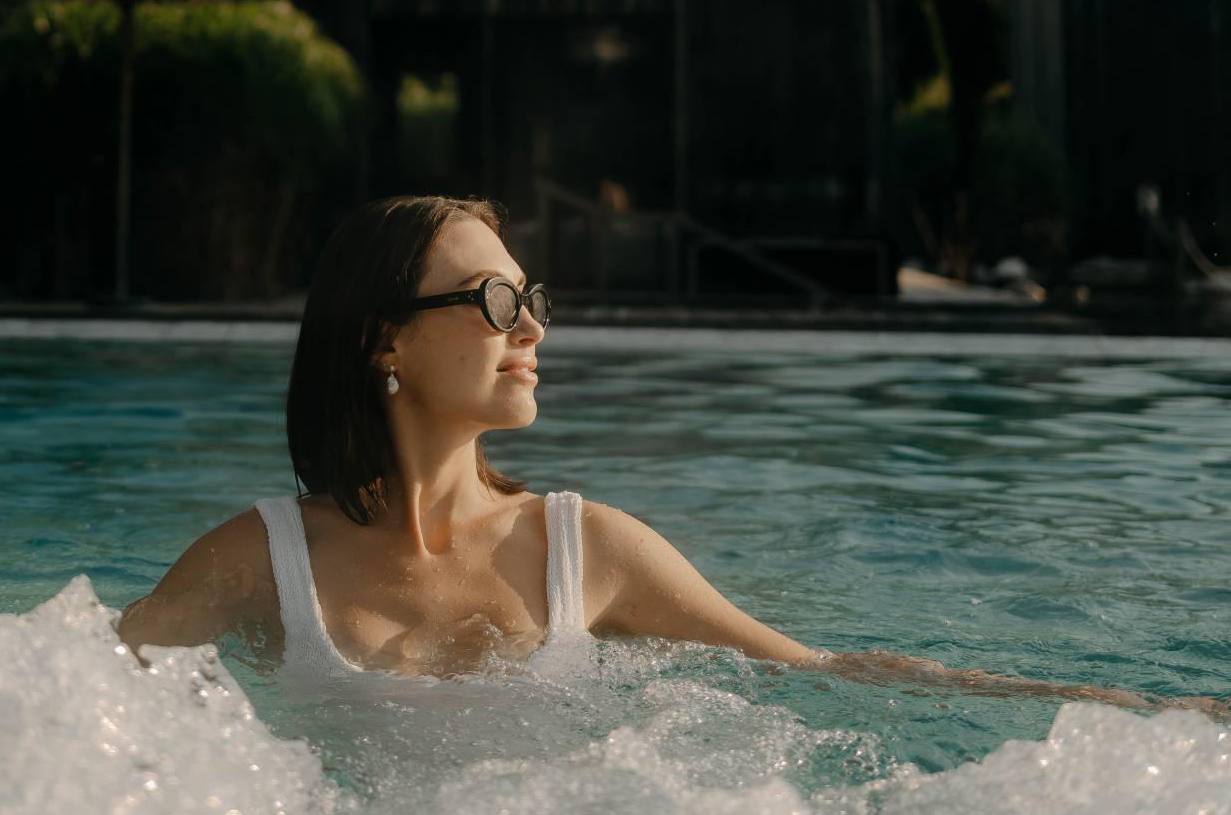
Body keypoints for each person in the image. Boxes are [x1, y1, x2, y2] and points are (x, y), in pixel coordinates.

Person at [118, 194, 1229, 715]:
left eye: (533, 298)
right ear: (383, 341)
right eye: (498, 298)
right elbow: (61, 689)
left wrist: (1135, 710)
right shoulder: (260, 561)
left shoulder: (583, 550)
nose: (532, 327)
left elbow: (821, 667)